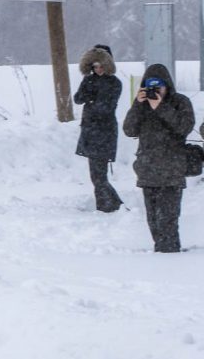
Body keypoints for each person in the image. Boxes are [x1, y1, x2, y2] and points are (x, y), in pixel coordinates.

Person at [122, 64, 195, 253]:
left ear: (167, 85)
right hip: (148, 170)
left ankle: (168, 255)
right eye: (150, 86)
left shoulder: (180, 102)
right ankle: (161, 252)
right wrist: (137, 105)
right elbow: (129, 130)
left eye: (158, 86)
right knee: (153, 220)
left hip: (171, 170)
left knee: (168, 219)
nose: (154, 91)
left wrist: (160, 107)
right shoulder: (142, 105)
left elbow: (184, 127)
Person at [73, 44, 123, 213]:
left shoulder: (114, 83)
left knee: (99, 175)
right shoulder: (88, 80)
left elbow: (107, 107)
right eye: (95, 66)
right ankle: (108, 205)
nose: (98, 69)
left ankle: (109, 205)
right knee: (95, 174)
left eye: (101, 66)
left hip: (105, 132)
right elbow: (78, 99)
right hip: (89, 131)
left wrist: (92, 99)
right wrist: (89, 95)